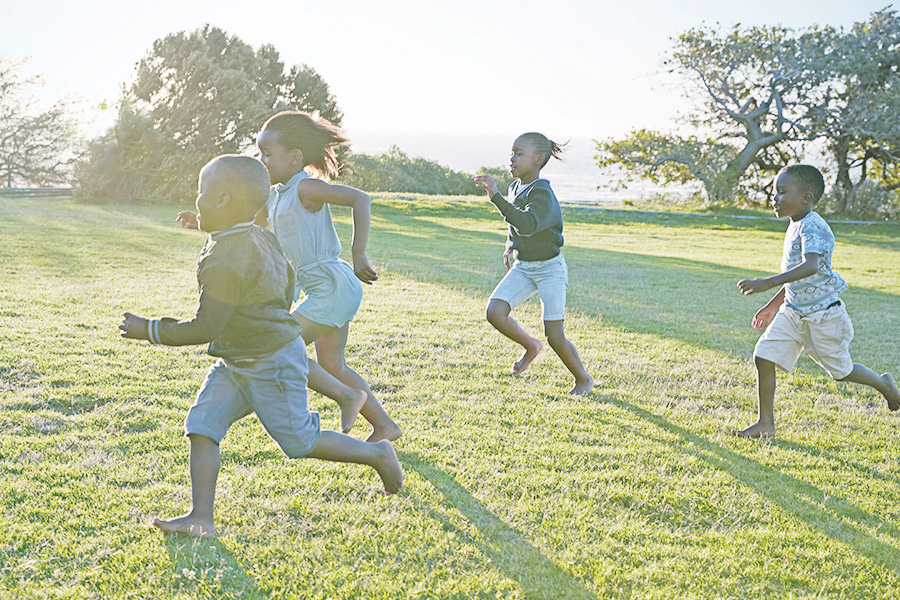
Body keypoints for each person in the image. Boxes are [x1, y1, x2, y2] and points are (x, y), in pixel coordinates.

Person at [122, 155, 403, 538]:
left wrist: (149, 329)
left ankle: (376, 453)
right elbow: (285, 282)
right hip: (236, 360)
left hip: (270, 361)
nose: (197, 199)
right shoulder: (257, 237)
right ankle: (200, 517)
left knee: (300, 441)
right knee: (202, 425)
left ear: (222, 200)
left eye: (201, 193)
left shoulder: (225, 259)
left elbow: (206, 326)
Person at [179, 111, 400, 443]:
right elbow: (249, 228)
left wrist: (359, 254)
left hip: (331, 286)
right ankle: (384, 426)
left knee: (279, 342)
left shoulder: (305, 188)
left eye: (267, 154)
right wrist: (201, 222)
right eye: (259, 153)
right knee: (331, 366)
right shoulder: (274, 195)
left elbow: (359, 198)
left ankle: (347, 398)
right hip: (319, 290)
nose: (261, 160)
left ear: (295, 157)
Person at [735, 164, 899, 438]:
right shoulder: (795, 225)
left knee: (842, 371)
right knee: (763, 356)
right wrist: (773, 306)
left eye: (782, 192)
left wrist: (768, 282)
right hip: (793, 312)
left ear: (806, 197)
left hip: (823, 316)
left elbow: (811, 266)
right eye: (775, 192)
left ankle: (883, 383)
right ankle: (765, 424)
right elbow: (797, 279)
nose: (774, 198)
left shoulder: (814, 227)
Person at [474, 132, 594, 395]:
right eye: (512, 152)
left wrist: (496, 198)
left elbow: (527, 224)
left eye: (519, 153)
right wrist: (510, 246)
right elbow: (515, 226)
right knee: (494, 312)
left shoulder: (543, 192)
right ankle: (530, 346)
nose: (512, 158)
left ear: (538, 159)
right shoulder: (515, 188)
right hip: (524, 266)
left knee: (555, 336)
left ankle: (583, 379)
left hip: (550, 269)